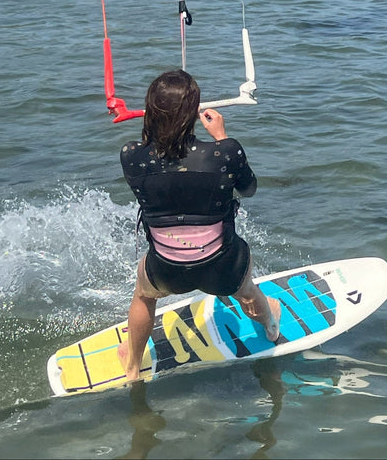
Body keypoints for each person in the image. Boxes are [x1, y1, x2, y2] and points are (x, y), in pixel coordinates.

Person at [117, 69, 280, 382]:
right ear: (193, 114)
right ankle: (271, 329)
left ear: (150, 111)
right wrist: (222, 138)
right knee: (247, 289)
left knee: (143, 295)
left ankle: (133, 368)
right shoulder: (224, 153)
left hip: (166, 270)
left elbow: (160, 163)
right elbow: (249, 189)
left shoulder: (131, 156)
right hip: (222, 269)